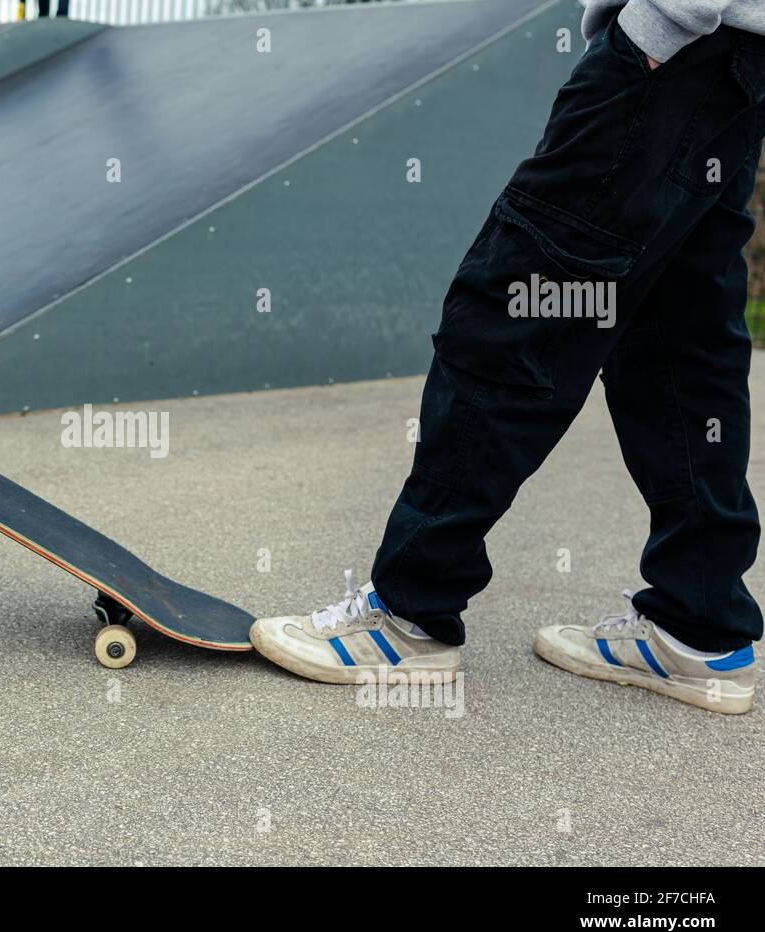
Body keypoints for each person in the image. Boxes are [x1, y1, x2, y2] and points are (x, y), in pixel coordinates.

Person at [251, 0, 765, 714]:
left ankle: (410, 613)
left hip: (676, 51)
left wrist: (658, 27)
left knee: (510, 315)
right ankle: (698, 627)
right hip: (736, 63)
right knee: (677, 343)